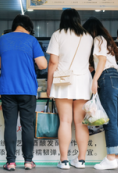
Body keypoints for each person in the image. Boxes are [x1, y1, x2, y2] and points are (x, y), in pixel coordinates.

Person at [0, 15, 47, 171]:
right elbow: (43, 65)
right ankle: (28, 162)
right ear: (29, 27)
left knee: (10, 125)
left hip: (8, 89)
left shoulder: (2, 39)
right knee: (27, 126)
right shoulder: (31, 40)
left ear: (14, 26)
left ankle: (10, 162)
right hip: (27, 89)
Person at [46, 9, 94, 170]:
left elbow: (53, 63)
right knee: (81, 123)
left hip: (63, 81)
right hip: (83, 81)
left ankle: (64, 160)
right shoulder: (87, 36)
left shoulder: (58, 35)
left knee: (65, 121)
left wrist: (49, 85)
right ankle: (81, 160)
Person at [83, 18, 118, 170]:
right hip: (117, 79)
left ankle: (110, 158)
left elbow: (102, 61)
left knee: (110, 121)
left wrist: (95, 79)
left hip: (107, 79)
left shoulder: (97, 39)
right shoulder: (107, 41)